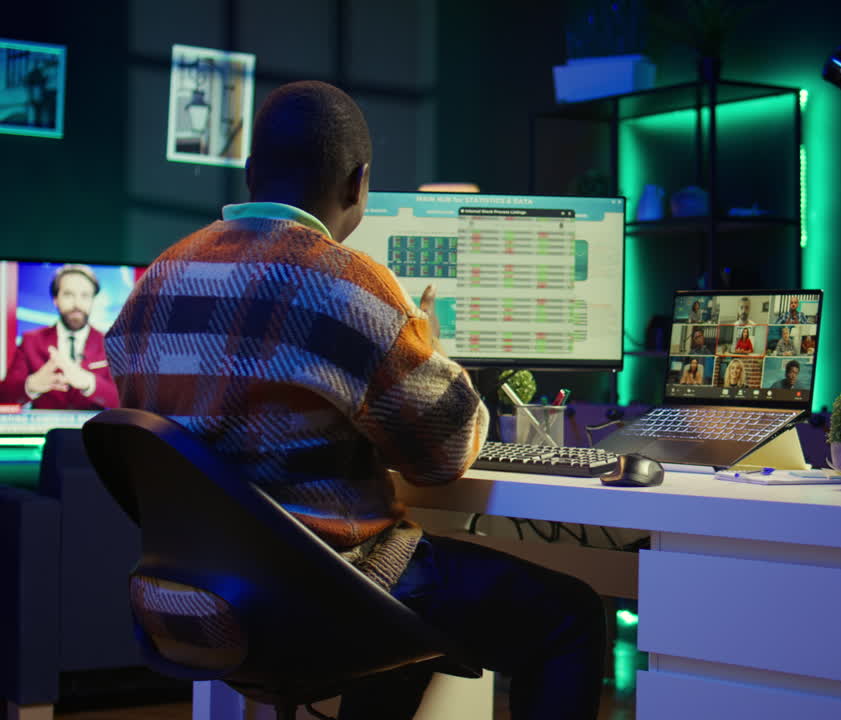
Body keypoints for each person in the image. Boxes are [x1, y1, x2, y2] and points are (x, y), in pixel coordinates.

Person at [104, 81, 604, 720]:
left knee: (403, 595)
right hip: (319, 603)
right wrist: (428, 345)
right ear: (358, 184)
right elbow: (445, 456)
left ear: (253, 173)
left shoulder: (159, 280)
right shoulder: (350, 286)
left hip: (190, 598)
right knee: (569, 616)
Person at [0, 264, 120, 410]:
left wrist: (89, 383)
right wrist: (31, 385)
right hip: (44, 431)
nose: (77, 304)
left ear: (93, 300)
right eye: (68, 294)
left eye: (85, 295)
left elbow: (124, 400)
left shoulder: (110, 343)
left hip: (93, 431)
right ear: (55, 299)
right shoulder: (31, 341)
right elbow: (4, 396)